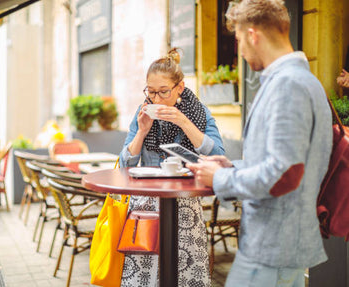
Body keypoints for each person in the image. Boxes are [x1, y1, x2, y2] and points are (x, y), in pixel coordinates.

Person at [187, 1, 332, 286]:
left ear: (253, 35)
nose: (239, 51)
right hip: (278, 246)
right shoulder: (299, 80)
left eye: (239, 40)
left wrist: (222, 178)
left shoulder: (288, 84)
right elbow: (285, 162)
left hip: (271, 248)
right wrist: (232, 165)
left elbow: (284, 173)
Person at [119, 48, 224, 286]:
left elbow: (218, 155)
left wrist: (183, 122)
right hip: (146, 205)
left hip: (185, 205)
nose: (156, 99)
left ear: (180, 87)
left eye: (163, 92)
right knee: (144, 278)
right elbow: (125, 163)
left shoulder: (198, 113)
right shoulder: (142, 112)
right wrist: (142, 131)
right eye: (151, 91)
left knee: (185, 276)